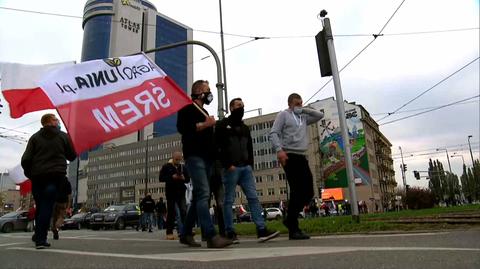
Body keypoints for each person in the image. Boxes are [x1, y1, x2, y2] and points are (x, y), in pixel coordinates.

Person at [176, 80, 232, 248]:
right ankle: (210, 235)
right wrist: (205, 124)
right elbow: (183, 128)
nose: (209, 94)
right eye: (207, 90)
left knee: (198, 197)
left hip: (207, 159)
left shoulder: (204, 111)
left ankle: (185, 234)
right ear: (200, 91)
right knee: (203, 195)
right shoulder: (187, 108)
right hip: (195, 157)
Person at [216, 98, 279, 243]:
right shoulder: (222, 125)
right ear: (231, 108)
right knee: (229, 200)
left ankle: (261, 230)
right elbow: (217, 146)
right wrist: (227, 164)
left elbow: (249, 147)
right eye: (239, 105)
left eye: (243, 105)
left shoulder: (244, 128)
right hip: (230, 168)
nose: (241, 108)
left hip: (245, 168)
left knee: (253, 198)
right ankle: (230, 232)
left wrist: (251, 164)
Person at [269, 93, 323, 240]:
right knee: (297, 190)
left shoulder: (303, 118)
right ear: (290, 104)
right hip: (289, 155)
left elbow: (319, 116)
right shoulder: (284, 115)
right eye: (297, 104)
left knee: (309, 192)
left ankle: (289, 218)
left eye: (301, 103)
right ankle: (294, 228)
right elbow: (274, 132)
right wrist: (279, 150)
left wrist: (304, 110)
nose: (299, 105)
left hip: (301, 156)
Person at [21, 113, 76, 249]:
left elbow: (26, 159)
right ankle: (40, 239)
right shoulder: (63, 136)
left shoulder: (34, 138)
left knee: (41, 206)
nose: (58, 122)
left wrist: (31, 174)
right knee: (46, 206)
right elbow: (72, 156)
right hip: (55, 177)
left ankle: (38, 233)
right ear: (51, 121)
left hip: (38, 177)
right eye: (56, 120)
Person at [159, 152, 189, 240]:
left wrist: (183, 178)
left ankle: (185, 231)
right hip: (171, 193)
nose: (178, 161)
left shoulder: (183, 167)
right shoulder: (166, 166)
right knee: (172, 213)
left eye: (180, 159)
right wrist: (172, 177)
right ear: (173, 158)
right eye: (176, 159)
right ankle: (169, 232)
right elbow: (161, 178)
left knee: (183, 211)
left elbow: (188, 179)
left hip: (181, 192)